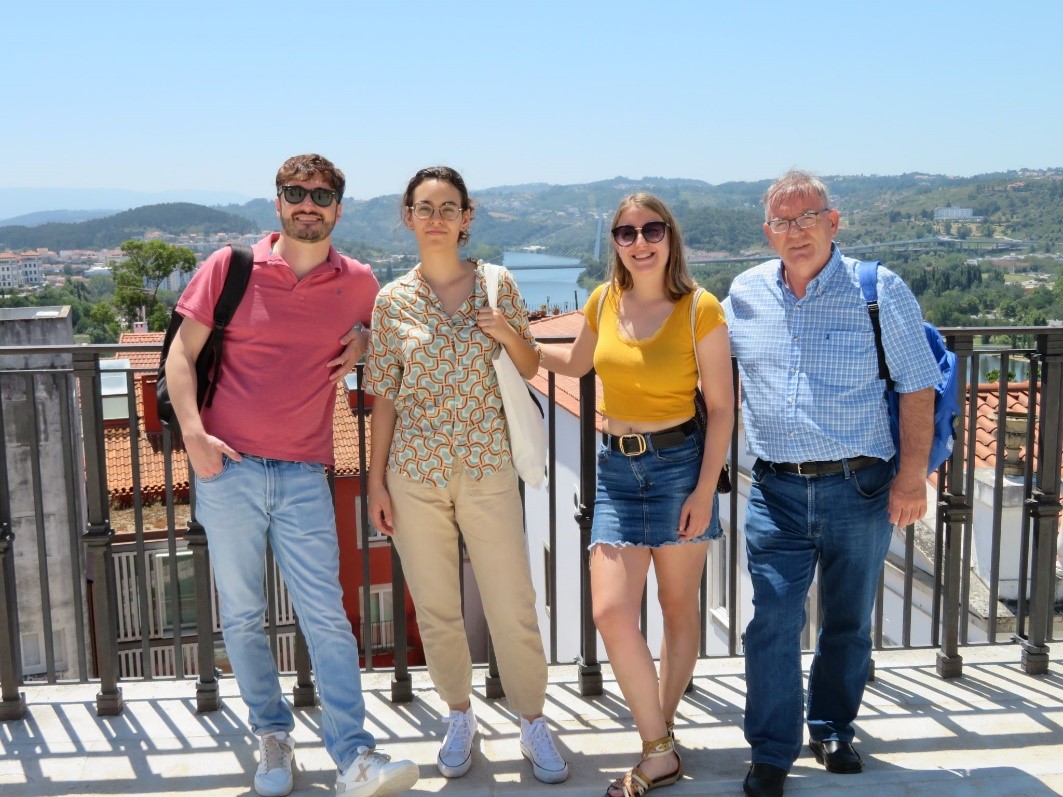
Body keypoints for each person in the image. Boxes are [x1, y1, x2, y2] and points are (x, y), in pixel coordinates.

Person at [165, 154, 418, 797]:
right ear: (278, 202)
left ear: (339, 208)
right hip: (228, 469)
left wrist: (366, 339)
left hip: (306, 471)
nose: (309, 204)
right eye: (296, 192)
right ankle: (272, 735)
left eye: (321, 195)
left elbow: (387, 344)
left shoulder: (358, 282)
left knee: (326, 616)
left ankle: (353, 756)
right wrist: (194, 438)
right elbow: (180, 356)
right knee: (243, 617)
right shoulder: (230, 268)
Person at [723, 170, 941, 797]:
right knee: (772, 621)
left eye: (807, 217)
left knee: (847, 621)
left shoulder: (878, 290)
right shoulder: (744, 293)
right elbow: (704, 364)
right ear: (768, 232)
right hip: (775, 491)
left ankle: (832, 728)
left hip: (861, 487)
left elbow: (917, 386)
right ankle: (771, 751)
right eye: (783, 222)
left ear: (833, 221)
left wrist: (911, 478)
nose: (796, 232)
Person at [363, 166, 569, 785]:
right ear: (408, 217)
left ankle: (532, 720)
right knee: (436, 607)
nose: (436, 219)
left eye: (447, 208)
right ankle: (459, 715)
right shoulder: (391, 300)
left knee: (513, 602)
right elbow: (385, 396)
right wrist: (375, 481)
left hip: (487, 468)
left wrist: (505, 330)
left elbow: (529, 364)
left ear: (466, 217)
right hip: (415, 474)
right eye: (424, 208)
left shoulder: (497, 284)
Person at [537, 192, 733, 797]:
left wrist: (705, 490)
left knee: (677, 609)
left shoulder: (700, 309)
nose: (640, 242)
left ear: (670, 237)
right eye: (626, 233)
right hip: (617, 472)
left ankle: (658, 737)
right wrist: (513, 343)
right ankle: (660, 745)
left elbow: (722, 410)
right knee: (611, 611)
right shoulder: (603, 300)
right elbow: (575, 364)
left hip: (679, 468)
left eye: (652, 230)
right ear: (615, 243)